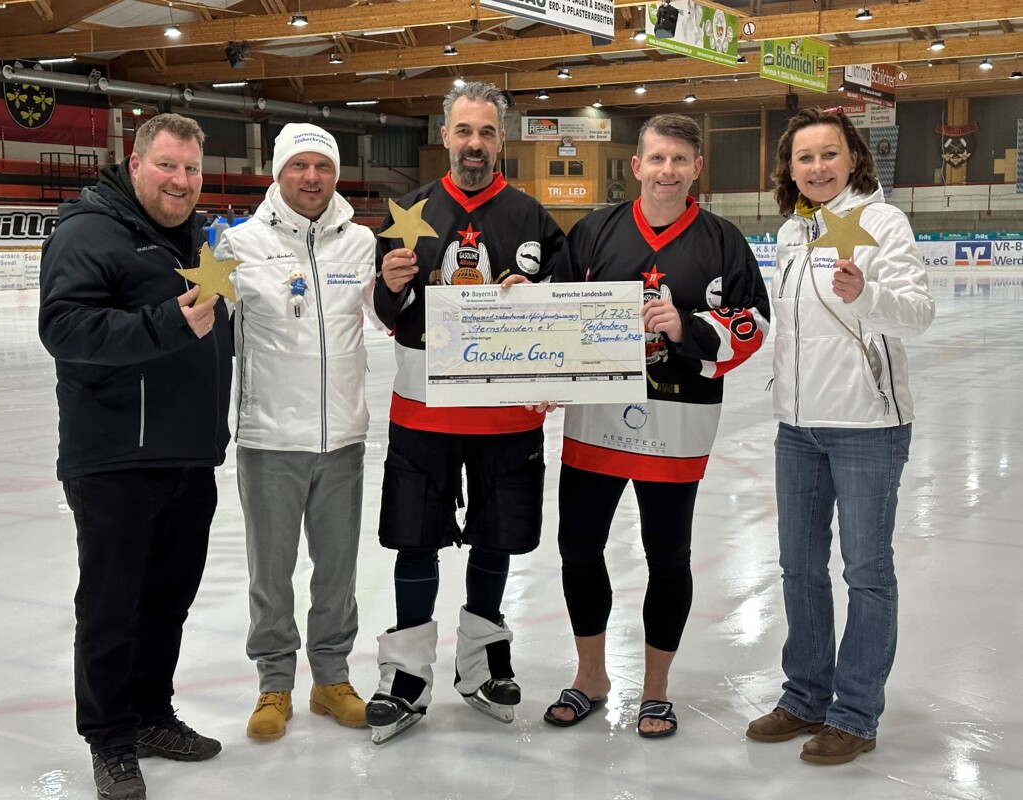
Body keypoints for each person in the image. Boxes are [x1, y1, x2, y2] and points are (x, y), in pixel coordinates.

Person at [544, 113, 770, 738]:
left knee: (668, 559)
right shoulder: (595, 231)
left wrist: (687, 327)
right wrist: (544, 377)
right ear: (636, 166)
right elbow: (555, 312)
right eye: (656, 158)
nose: (667, 170)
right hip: (594, 423)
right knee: (578, 551)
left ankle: (656, 689)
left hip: (678, 426)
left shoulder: (724, 240)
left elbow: (754, 323)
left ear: (697, 168)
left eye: (679, 159)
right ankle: (591, 677)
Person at [366, 80, 571, 744]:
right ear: (445, 135)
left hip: (505, 417)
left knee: (496, 537)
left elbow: (563, 314)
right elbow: (385, 314)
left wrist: (534, 302)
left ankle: (483, 664)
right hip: (422, 411)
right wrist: (388, 289)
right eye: (463, 131)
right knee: (412, 538)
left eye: (485, 132)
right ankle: (405, 675)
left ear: (500, 139)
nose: (474, 143)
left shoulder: (533, 218)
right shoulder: (406, 212)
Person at [38, 113, 230, 800]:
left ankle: (151, 715)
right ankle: (111, 740)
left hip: (187, 456)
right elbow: (63, 328)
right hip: (115, 461)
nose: (181, 180)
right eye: (168, 166)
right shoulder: (88, 232)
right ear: (136, 161)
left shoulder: (199, 239)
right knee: (112, 609)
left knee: (165, 605)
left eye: (191, 170)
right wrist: (165, 322)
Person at [746, 107, 934, 764]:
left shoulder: (883, 223)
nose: (817, 167)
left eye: (828, 154)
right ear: (789, 169)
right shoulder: (791, 232)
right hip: (796, 429)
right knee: (798, 567)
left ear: (851, 158)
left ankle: (853, 713)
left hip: (866, 426)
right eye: (804, 158)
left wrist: (864, 295)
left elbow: (917, 314)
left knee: (865, 571)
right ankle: (804, 697)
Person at [214, 123, 378, 740]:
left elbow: (398, 317)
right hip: (269, 440)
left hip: (342, 440)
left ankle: (330, 678)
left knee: (337, 571)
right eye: (299, 166)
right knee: (271, 572)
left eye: (323, 166)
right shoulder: (240, 243)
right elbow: (207, 334)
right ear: (278, 173)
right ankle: (274, 683)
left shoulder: (362, 242)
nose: (312, 177)